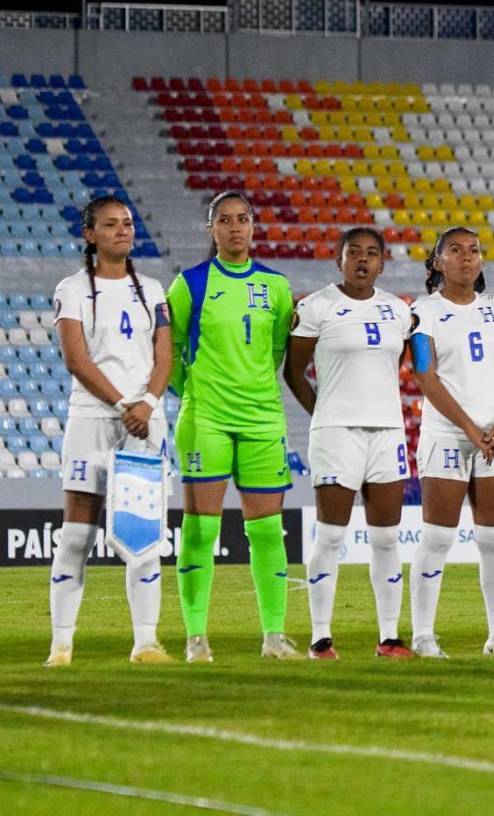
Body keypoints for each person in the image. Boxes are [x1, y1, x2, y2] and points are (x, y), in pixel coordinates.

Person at [167, 190, 301, 662]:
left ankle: (274, 637)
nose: (235, 227)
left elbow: (276, 351)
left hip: (262, 419)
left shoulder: (277, 286)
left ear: (253, 225)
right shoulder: (190, 284)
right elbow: (171, 350)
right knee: (200, 530)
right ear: (211, 229)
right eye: (224, 220)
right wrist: (193, 390)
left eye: (242, 218)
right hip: (206, 418)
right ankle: (196, 638)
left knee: (267, 532)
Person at [45, 195, 174, 667]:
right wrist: (124, 405)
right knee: (76, 535)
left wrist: (148, 404)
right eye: (111, 224)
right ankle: (61, 646)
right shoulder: (73, 288)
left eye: (128, 223)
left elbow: (165, 355)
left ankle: (146, 643)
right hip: (92, 420)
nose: (123, 230)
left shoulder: (153, 289)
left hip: (145, 421)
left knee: (144, 538)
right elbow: (75, 359)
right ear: (90, 234)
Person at [284, 228, 414, 660]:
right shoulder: (317, 307)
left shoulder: (398, 311)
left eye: (371, 253)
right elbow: (293, 372)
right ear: (338, 260)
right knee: (330, 536)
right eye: (353, 252)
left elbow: (392, 364)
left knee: (387, 539)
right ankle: (321, 638)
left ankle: (390, 637)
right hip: (337, 433)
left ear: (382, 263)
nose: (362, 259)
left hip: (388, 432)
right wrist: (323, 413)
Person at [406, 226, 494, 658]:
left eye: (473, 250)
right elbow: (425, 375)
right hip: (447, 436)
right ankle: (423, 636)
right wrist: (472, 430)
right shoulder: (424, 310)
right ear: (438, 261)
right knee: (438, 538)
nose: (466, 257)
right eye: (455, 250)